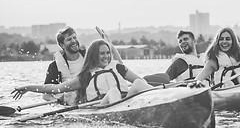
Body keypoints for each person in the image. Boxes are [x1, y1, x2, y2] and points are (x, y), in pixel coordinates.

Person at [13, 39, 152, 105]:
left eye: (108, 53)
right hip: (103, 106)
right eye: (102, 54)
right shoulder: (85, 76)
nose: (106, 56)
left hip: (126, 101)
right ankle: (122, 113)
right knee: (114, 92)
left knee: (139, 82)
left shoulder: (118, 67)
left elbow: (140, 82)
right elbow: (55, 88)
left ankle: (167, 98)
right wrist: (28, 87)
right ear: (93, 56)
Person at [43, 26, 123, 105]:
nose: (73, 41)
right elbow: (46, 94)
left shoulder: (88, 55)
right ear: (62, 45)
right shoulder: (54, 66)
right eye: (69, 39)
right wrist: (58, 101)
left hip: (96, 96)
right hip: (75, 101)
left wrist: (110, 45)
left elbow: (119, 68)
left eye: (74, 38)